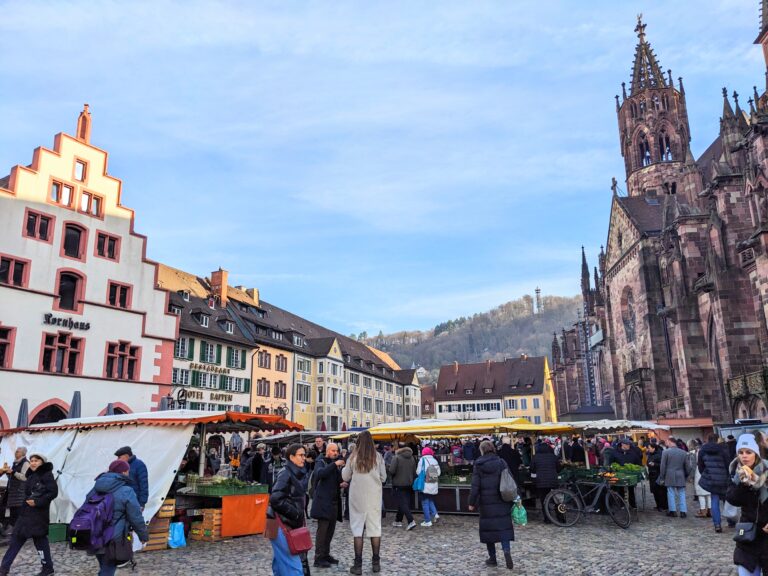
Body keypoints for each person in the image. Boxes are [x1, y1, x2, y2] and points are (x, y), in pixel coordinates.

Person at [86, 460, 149, 576]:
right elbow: (136, 517)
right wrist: (143, 536)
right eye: (128, 471)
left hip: (94, 534)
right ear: (124, 472)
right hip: (113, 538)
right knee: (108, 569)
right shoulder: (126, 491)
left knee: (104, 567)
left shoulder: (95, 488)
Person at [0, 452, 58, 576]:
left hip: (38, 515)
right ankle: (3, 568)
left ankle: (48, 568)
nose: (33, 463)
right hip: (25, 514)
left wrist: (38, 502)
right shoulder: (31, 475)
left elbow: (53, 492)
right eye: (31, 461)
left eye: (36, 460)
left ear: (42, 462)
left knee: (41, 542)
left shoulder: (46, 475)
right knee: (16, 540)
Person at [342, 431, 387, 575]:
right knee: (375, 529)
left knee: (358, 530)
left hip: (357, 497)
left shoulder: (353, 457)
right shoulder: (378, 457)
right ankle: (376, 563)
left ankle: (358, 564)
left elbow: (345, 476)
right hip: (373, 496)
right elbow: (384, 477)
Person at [726, 434, 768, 576]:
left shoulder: (766, 471)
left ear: (755, 454)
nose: (744, 456)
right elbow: (732, 499)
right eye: (741, 452)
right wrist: (744, 484)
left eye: (748, 452)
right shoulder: (736, 473)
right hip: (748, 536)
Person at [468, 441, 514, 570]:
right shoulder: (501, 462)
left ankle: (492, 558)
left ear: (482, 450)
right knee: (503, 528)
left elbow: (475, 486)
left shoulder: (479, 464)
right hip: (502, 500)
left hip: (486, 503)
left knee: (489, 531)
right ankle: (506, 551)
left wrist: (471, 503)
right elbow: (510, 480)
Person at [268, 443, 309, 576]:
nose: (304, 458)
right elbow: (275, 498)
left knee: (280, 561)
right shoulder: (286, 473)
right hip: (277, 523)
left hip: (276, 522)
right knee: (292, 563)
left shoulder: (296, 472)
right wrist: (295, 513)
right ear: (291, 457)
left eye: (304, 455)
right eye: (301, 455)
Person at [310, 443, 344, 568]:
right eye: (333, 450)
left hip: (334, 502)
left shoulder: (334, 465)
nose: (336, 453)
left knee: (330, 531)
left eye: (337, 451)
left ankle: (325, 554)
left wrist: (342, 483)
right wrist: (334, 464)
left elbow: (335, 479)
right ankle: (318, 558)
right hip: (323, 503)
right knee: (322, 532)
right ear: (328, 451)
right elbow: (320, 474)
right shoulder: (321, 461)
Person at [697, 433, 731, 532]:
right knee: (727, 500)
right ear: (717, 439)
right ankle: (730, 521)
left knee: (714, 501)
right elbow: (728, 463)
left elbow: (700, 465)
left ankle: (717, 524)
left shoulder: (703, 450)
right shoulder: (723, 449)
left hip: (711, 478)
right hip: (723, 478)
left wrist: (706, 474)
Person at [660, 437, 693, 518]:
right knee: (681, 493)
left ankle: (673, 511)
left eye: (667, 442)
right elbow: (688, 467)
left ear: (671, 442)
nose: (666, 443)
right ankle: (683, 512)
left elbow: (663, 466)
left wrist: (662, 477)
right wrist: (685, 475)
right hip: (680, 474)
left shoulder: (665, 452)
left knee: (671, 493)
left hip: (669, 474)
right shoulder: (683, 452)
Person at [388, 443, 417, 531]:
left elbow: (392, 471)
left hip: (399, 483)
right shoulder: (412, 458)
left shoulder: (396, 457)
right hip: (409, 483)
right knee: (403, 502)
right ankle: (398, 520)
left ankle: (411, 520)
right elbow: (414, 472)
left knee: (403, 503)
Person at [0, 448, 29, 534]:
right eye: (15, 451)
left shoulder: (25, 463)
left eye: (18, 451)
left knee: (18, 511)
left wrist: (13, 472)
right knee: (12, 510)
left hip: (20, 491)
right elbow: (13, 477)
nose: (15, 452)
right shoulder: (15, 462)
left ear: (23, 453)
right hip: (13, 491)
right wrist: (8, 473)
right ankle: (11, 528)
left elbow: (25, 477)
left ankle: (19, 530)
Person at [530, 440, 560, 523]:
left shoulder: (535, 457)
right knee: (557, 500)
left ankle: (547, 518)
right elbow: (559, 468)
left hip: (541, 481)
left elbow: (532, 469)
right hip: (553, 480)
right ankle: (560, 517)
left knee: (543, 500)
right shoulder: (553, 456)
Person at [416, 446, 441, 527]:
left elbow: (418, 472)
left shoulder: (422, 460)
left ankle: (427, 521)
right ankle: (435, 514)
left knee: (424, 502)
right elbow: (439, 473)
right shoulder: (434, 460)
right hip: (433, 483)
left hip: (425, 484)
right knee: (430, 499)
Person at [645, 443, 667, 512]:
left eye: (649, 448)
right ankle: (658, 505)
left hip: (658, 475)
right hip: (652, 475)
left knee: (660, 492)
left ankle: (662, 506)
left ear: (654, 448)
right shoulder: (649, 454)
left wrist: (654, 464)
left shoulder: (659, 455)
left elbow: (662, 465)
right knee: (654, 491)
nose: (648, 449)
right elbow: (648, 463)